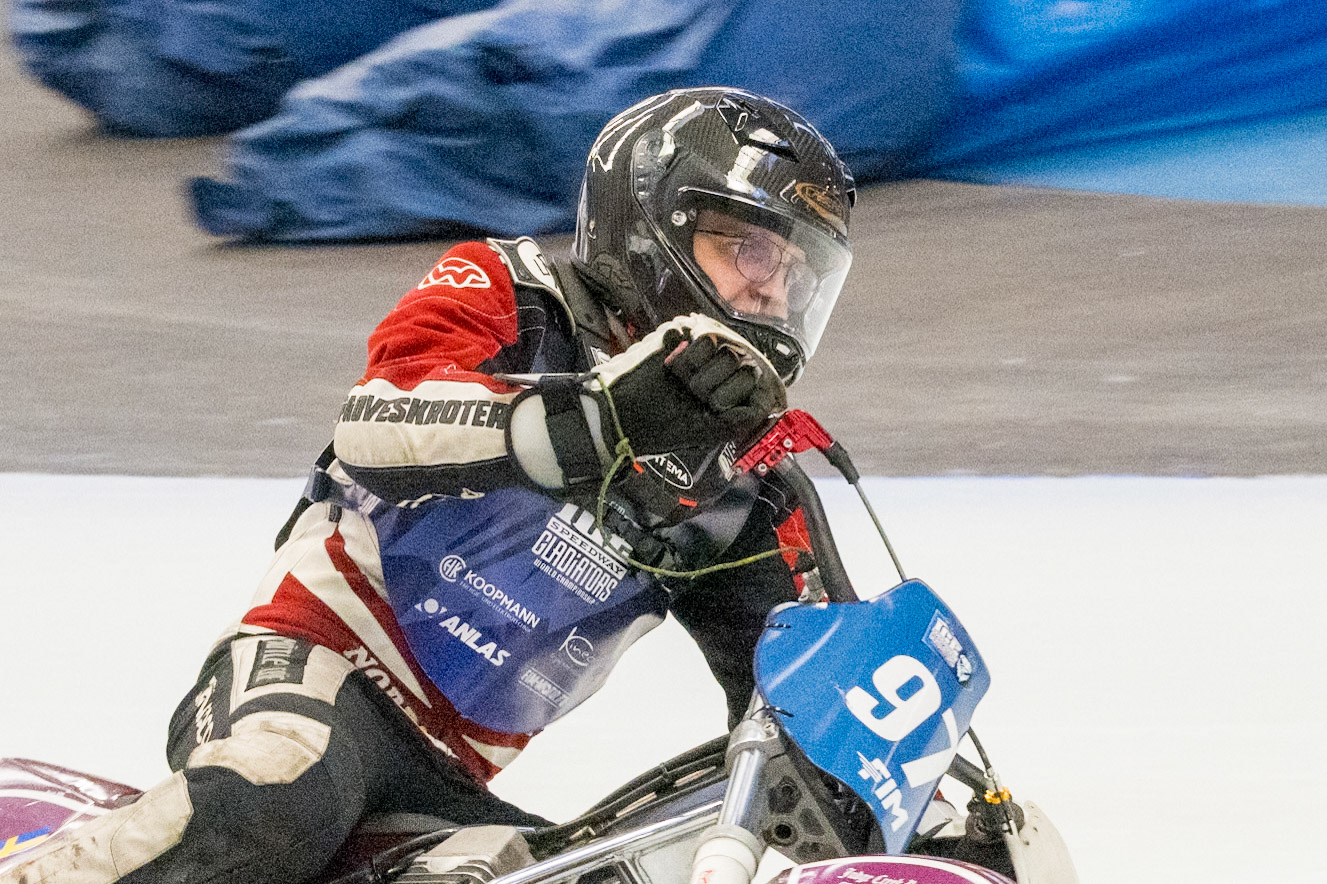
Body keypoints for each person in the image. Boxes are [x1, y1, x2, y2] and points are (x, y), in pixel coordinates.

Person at [1, 86, 855, 884]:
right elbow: (377, 426)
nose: (770, 290)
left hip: (448, 772)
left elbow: (798, 686)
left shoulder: (746, 482)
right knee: (276, 791)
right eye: (744, 247)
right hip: (312, 672)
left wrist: (918, 809)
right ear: (649, 225)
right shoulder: (505, 290)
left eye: (794, 272)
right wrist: (601, 417)